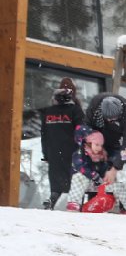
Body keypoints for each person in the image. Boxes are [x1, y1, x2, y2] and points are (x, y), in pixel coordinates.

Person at [85, 92, 126, 207]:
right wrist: (94, 146)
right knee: (100, 164)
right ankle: (94, 202)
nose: (110, 120)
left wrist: (115, 168)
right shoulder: (95, 105)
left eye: (113, 118)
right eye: (108, 118)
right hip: (107, 137)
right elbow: (87, 126)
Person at [65, 125, 126, 214]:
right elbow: (80, 167)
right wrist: (93, 175)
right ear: (88, 143)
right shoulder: (79, 154)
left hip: (97, 183)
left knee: (118, 186)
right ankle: (73, 203)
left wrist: (107, 172)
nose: (99, 148)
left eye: (101, 145)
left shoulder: (102, 156)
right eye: (96, 145)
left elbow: (104, 170)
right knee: (79, 176)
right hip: (82, 184)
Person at [39, 78, 84, 210]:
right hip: (72, 151)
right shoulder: (75, 110)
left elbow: (44, 135)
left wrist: (46, 154)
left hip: (53, 151)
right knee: (77, 180)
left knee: (56, 180)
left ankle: (52, 200)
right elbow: (82, 132)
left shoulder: (48, 112)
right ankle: (78, 207)